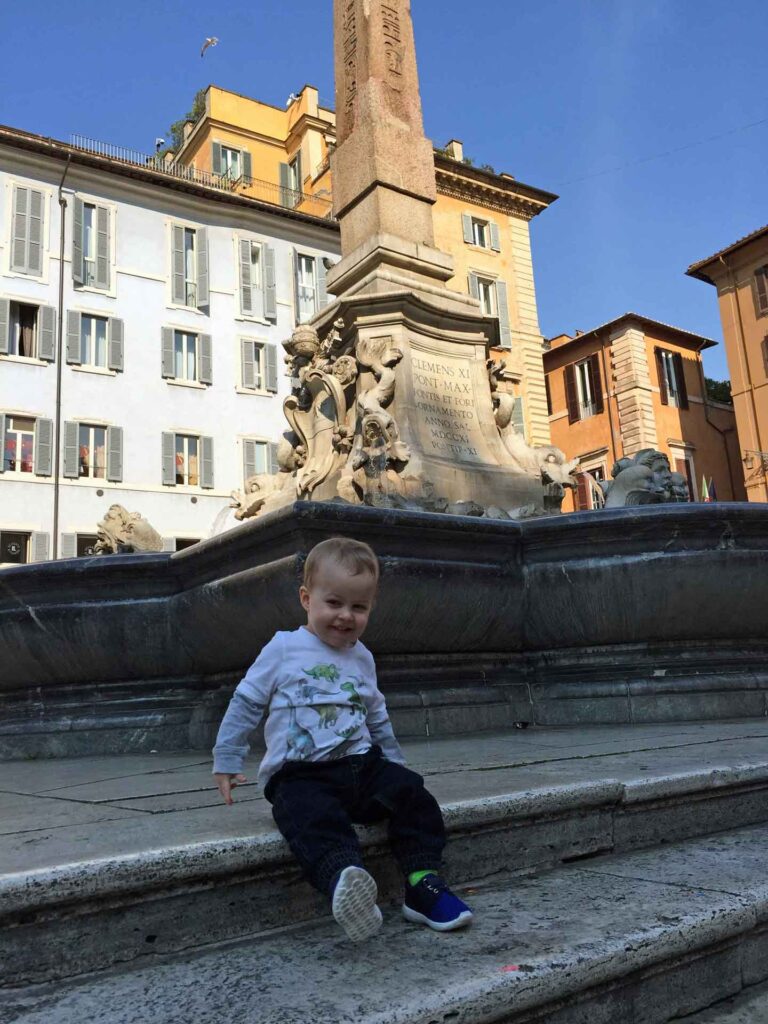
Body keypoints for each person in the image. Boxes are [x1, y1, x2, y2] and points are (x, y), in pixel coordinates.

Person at [213, 536, 472, 942]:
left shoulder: (362, 656)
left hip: (360, 766)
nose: (345, 617)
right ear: (306, 598)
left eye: (359, 607)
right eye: (334, 603)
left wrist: (394, 766)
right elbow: (246, 701)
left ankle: (423, 883)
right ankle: (344, 881)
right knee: (305, 812)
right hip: (300, 773)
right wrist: (227, 757)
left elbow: (376, 714)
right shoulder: (284, 647)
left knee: (415, 795)